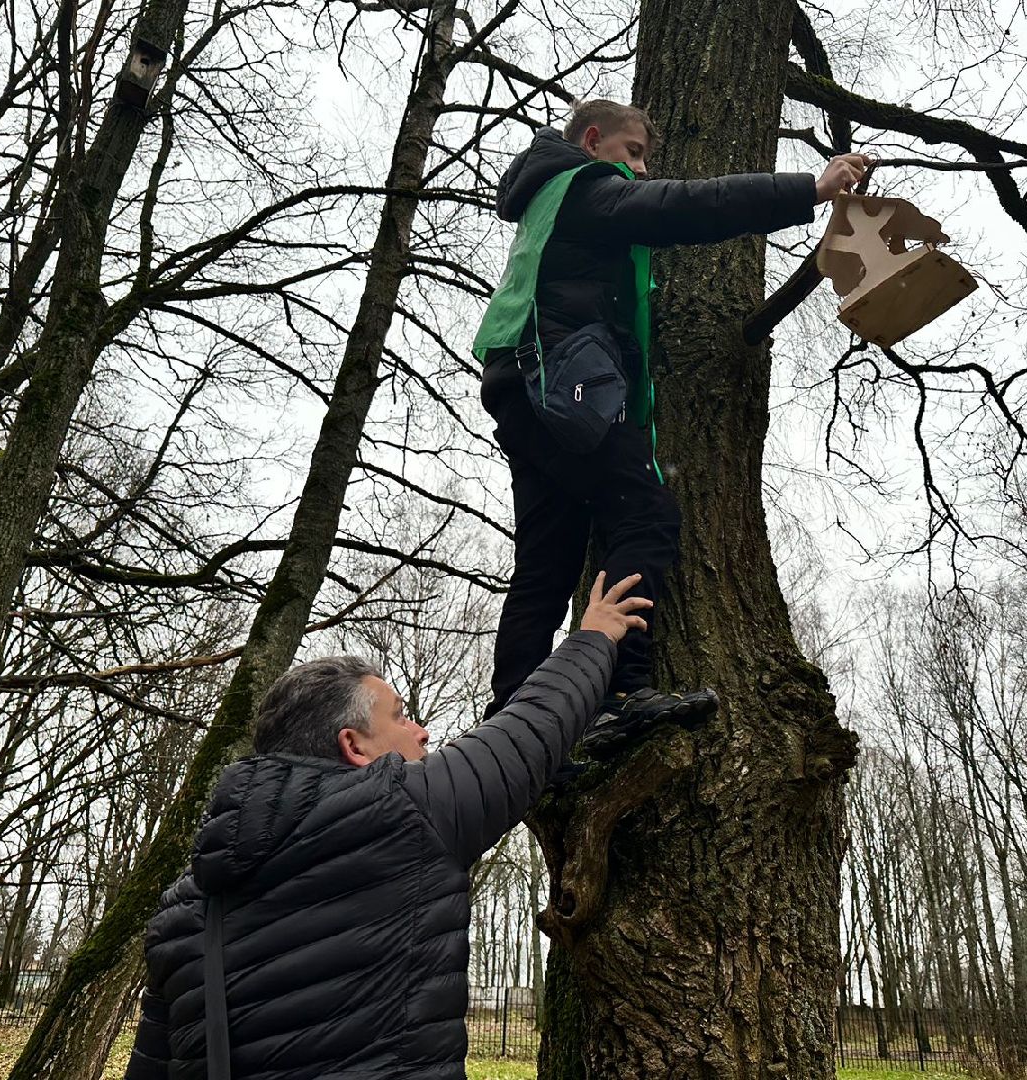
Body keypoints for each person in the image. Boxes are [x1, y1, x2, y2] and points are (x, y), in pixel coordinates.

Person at [120, 572, 649, 1080]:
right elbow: (525, 733)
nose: (420, 731)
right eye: (399, 716)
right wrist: (594, 637)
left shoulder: (184, 912)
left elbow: (149, 1068)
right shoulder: (403, 812)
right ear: (353, 745)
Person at [473, 99, 868, 755]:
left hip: (522, 386)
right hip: (563, 384)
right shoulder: (582, 189)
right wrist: (810, 187)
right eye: (633, 153)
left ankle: (515, 725)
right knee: (644, 515)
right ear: (592, 141)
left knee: (548, 562)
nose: (642, 169)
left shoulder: (544, 203)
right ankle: (621, 693)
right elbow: (685, 206)